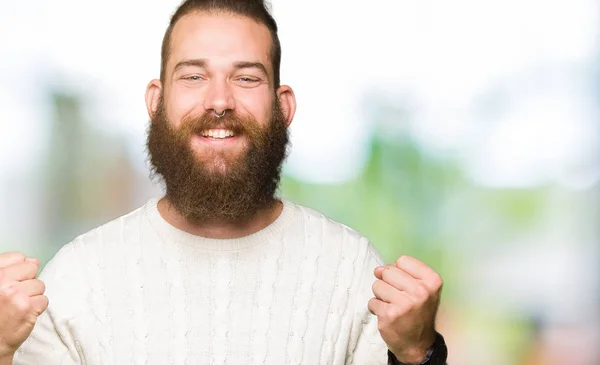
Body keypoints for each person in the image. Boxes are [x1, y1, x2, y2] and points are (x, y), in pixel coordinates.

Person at [1, 0, 447, 364]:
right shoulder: (75, 279)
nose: (219, 101)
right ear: (156, 103)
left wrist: (418, 355)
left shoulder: (352, 270)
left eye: (247, 77)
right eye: (194, 76)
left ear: (282, 106)